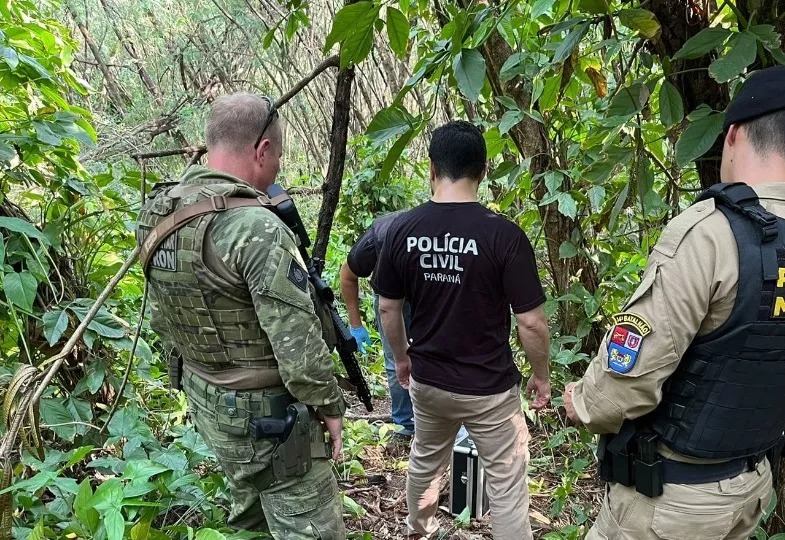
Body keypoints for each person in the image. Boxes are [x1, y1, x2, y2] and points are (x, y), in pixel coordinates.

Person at [563, 66, 785, 540]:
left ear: (732, 134)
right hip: (751, 487)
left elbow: (625, 383)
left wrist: (583, 404)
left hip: (669, 502)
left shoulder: (710, 234)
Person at [136, 93, 346, 540]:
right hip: (271, 418)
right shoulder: (255, 227)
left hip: (208, 400)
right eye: (279, 157)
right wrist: (329, 406)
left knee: (250, 516)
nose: (277, 170)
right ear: (262, 150)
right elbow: (298, 345)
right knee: (309, 525)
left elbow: (161, 318)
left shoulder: (160, 211)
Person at [372, 121, 552, 540]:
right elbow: (531, 321)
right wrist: (541, 376)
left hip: (429, 380)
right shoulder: (503, 235)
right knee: (507, 484)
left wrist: (402, 359)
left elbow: (387, 306)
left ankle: (418, 530)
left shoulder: (402, 229)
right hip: (489, 390)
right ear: (483, 171)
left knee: (425, 460)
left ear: (432, 168)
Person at [340, 211, 417, 440]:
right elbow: (347, 275)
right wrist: (355, 324)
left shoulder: (440, 232)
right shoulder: (381, 233)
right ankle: (405, 424)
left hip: (430, 297)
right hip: (389, 299)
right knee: (397, 360)